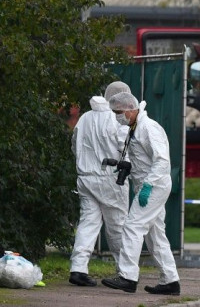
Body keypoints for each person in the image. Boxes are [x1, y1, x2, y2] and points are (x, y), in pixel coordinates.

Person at [101, 92, 181, 295]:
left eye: (119, 112)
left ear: (130, 109)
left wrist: (148, 186)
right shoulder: (135, 127)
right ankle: (170, 281)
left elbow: (162, 160)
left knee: (132, 227)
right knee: (155, 236)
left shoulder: (148, 128)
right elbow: (142, 159)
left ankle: (128, 277)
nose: (117, 116)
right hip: (150, 184)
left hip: (153, 186)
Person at [69, 81, 131, 287]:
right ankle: (125, 271)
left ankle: (78, 268)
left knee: (88, 223)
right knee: (117, 227)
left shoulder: (85, 118)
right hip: (111, 179)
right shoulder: (118, 121)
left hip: (86, 177)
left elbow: (74, 145)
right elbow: (126, 150)